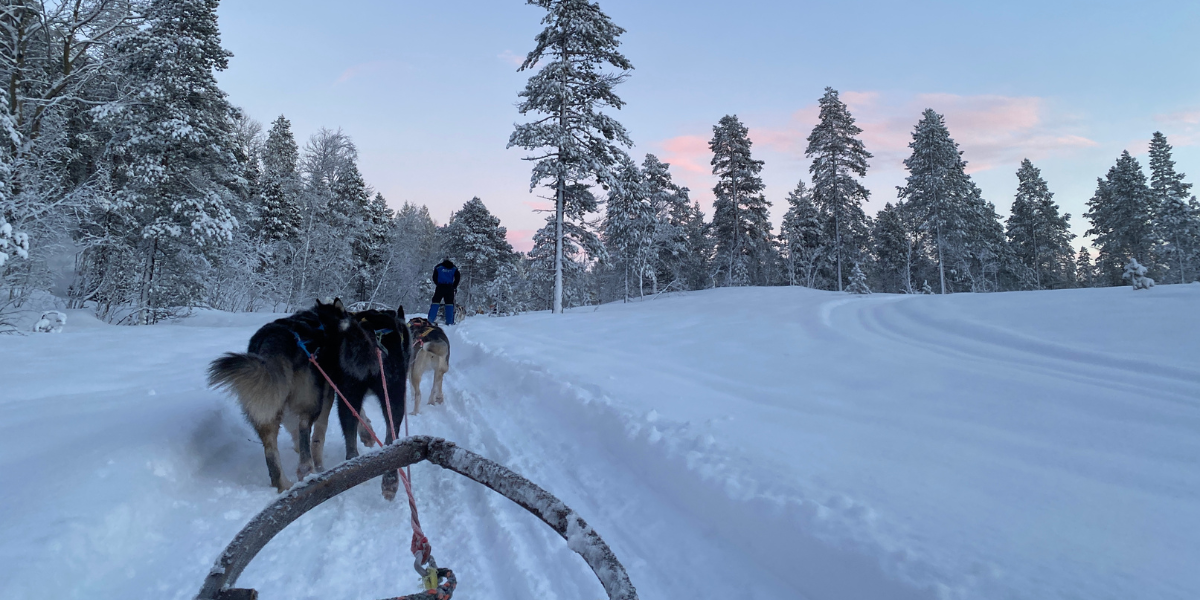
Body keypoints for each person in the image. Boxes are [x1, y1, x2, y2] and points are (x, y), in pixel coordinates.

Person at [428, 258, 460, 325]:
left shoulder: (438, 267)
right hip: (449, 287)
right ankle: (450, 321)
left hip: (440, 287)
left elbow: (434, 277)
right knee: (449, 304)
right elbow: (457, 278)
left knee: (435, 302)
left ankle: (430, 320)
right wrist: (454, 286)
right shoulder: (454, 268)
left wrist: (438, 284)